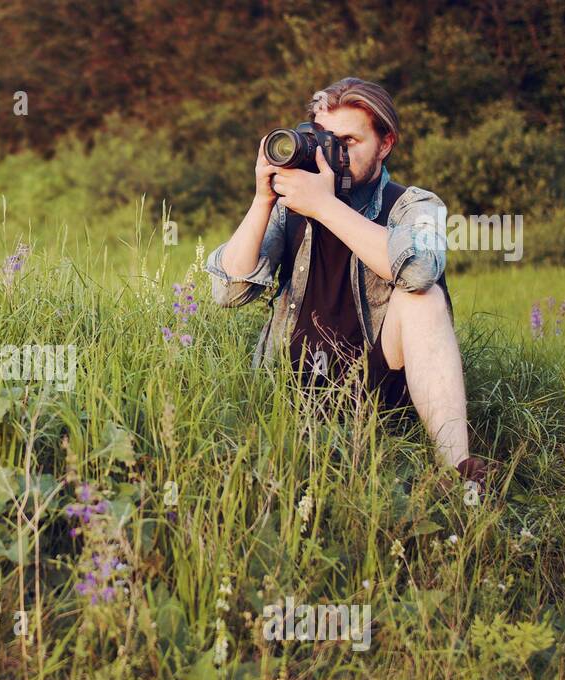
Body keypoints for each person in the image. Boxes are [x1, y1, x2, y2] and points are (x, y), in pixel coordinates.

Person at [207, 77, 487, 486]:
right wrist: (263, 199)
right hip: (290, 389)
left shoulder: (414, 205)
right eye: (324, 140)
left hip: (375, 390)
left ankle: (460, 474)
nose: (332, 154)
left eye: (349, 142)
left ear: (385, 143)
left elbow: (420, 270)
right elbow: (227, 291)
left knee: (423, 297)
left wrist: (324, 207)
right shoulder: (290, 208)